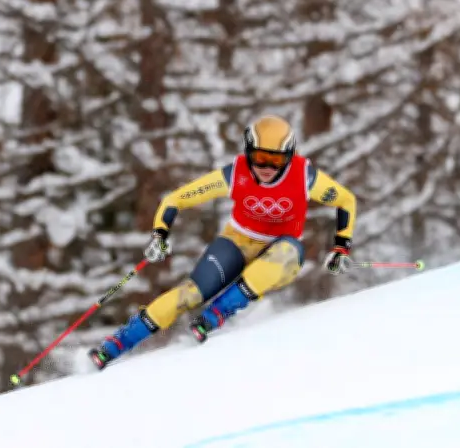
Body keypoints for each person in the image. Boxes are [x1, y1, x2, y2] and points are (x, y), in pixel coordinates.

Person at [88, 115, 357, 369]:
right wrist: (160, 234)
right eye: (260, 158)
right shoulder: (235, 174)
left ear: (289, 156)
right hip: (237, 241)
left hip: (281, 250)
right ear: (248, 152)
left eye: (275, 160)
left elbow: (346, 200)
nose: (266, 168)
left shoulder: (304, 177)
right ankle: (114, 346)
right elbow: (174, 200)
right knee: (191, 293)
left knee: (281, 256)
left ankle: (215, 315)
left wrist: (341, 246)